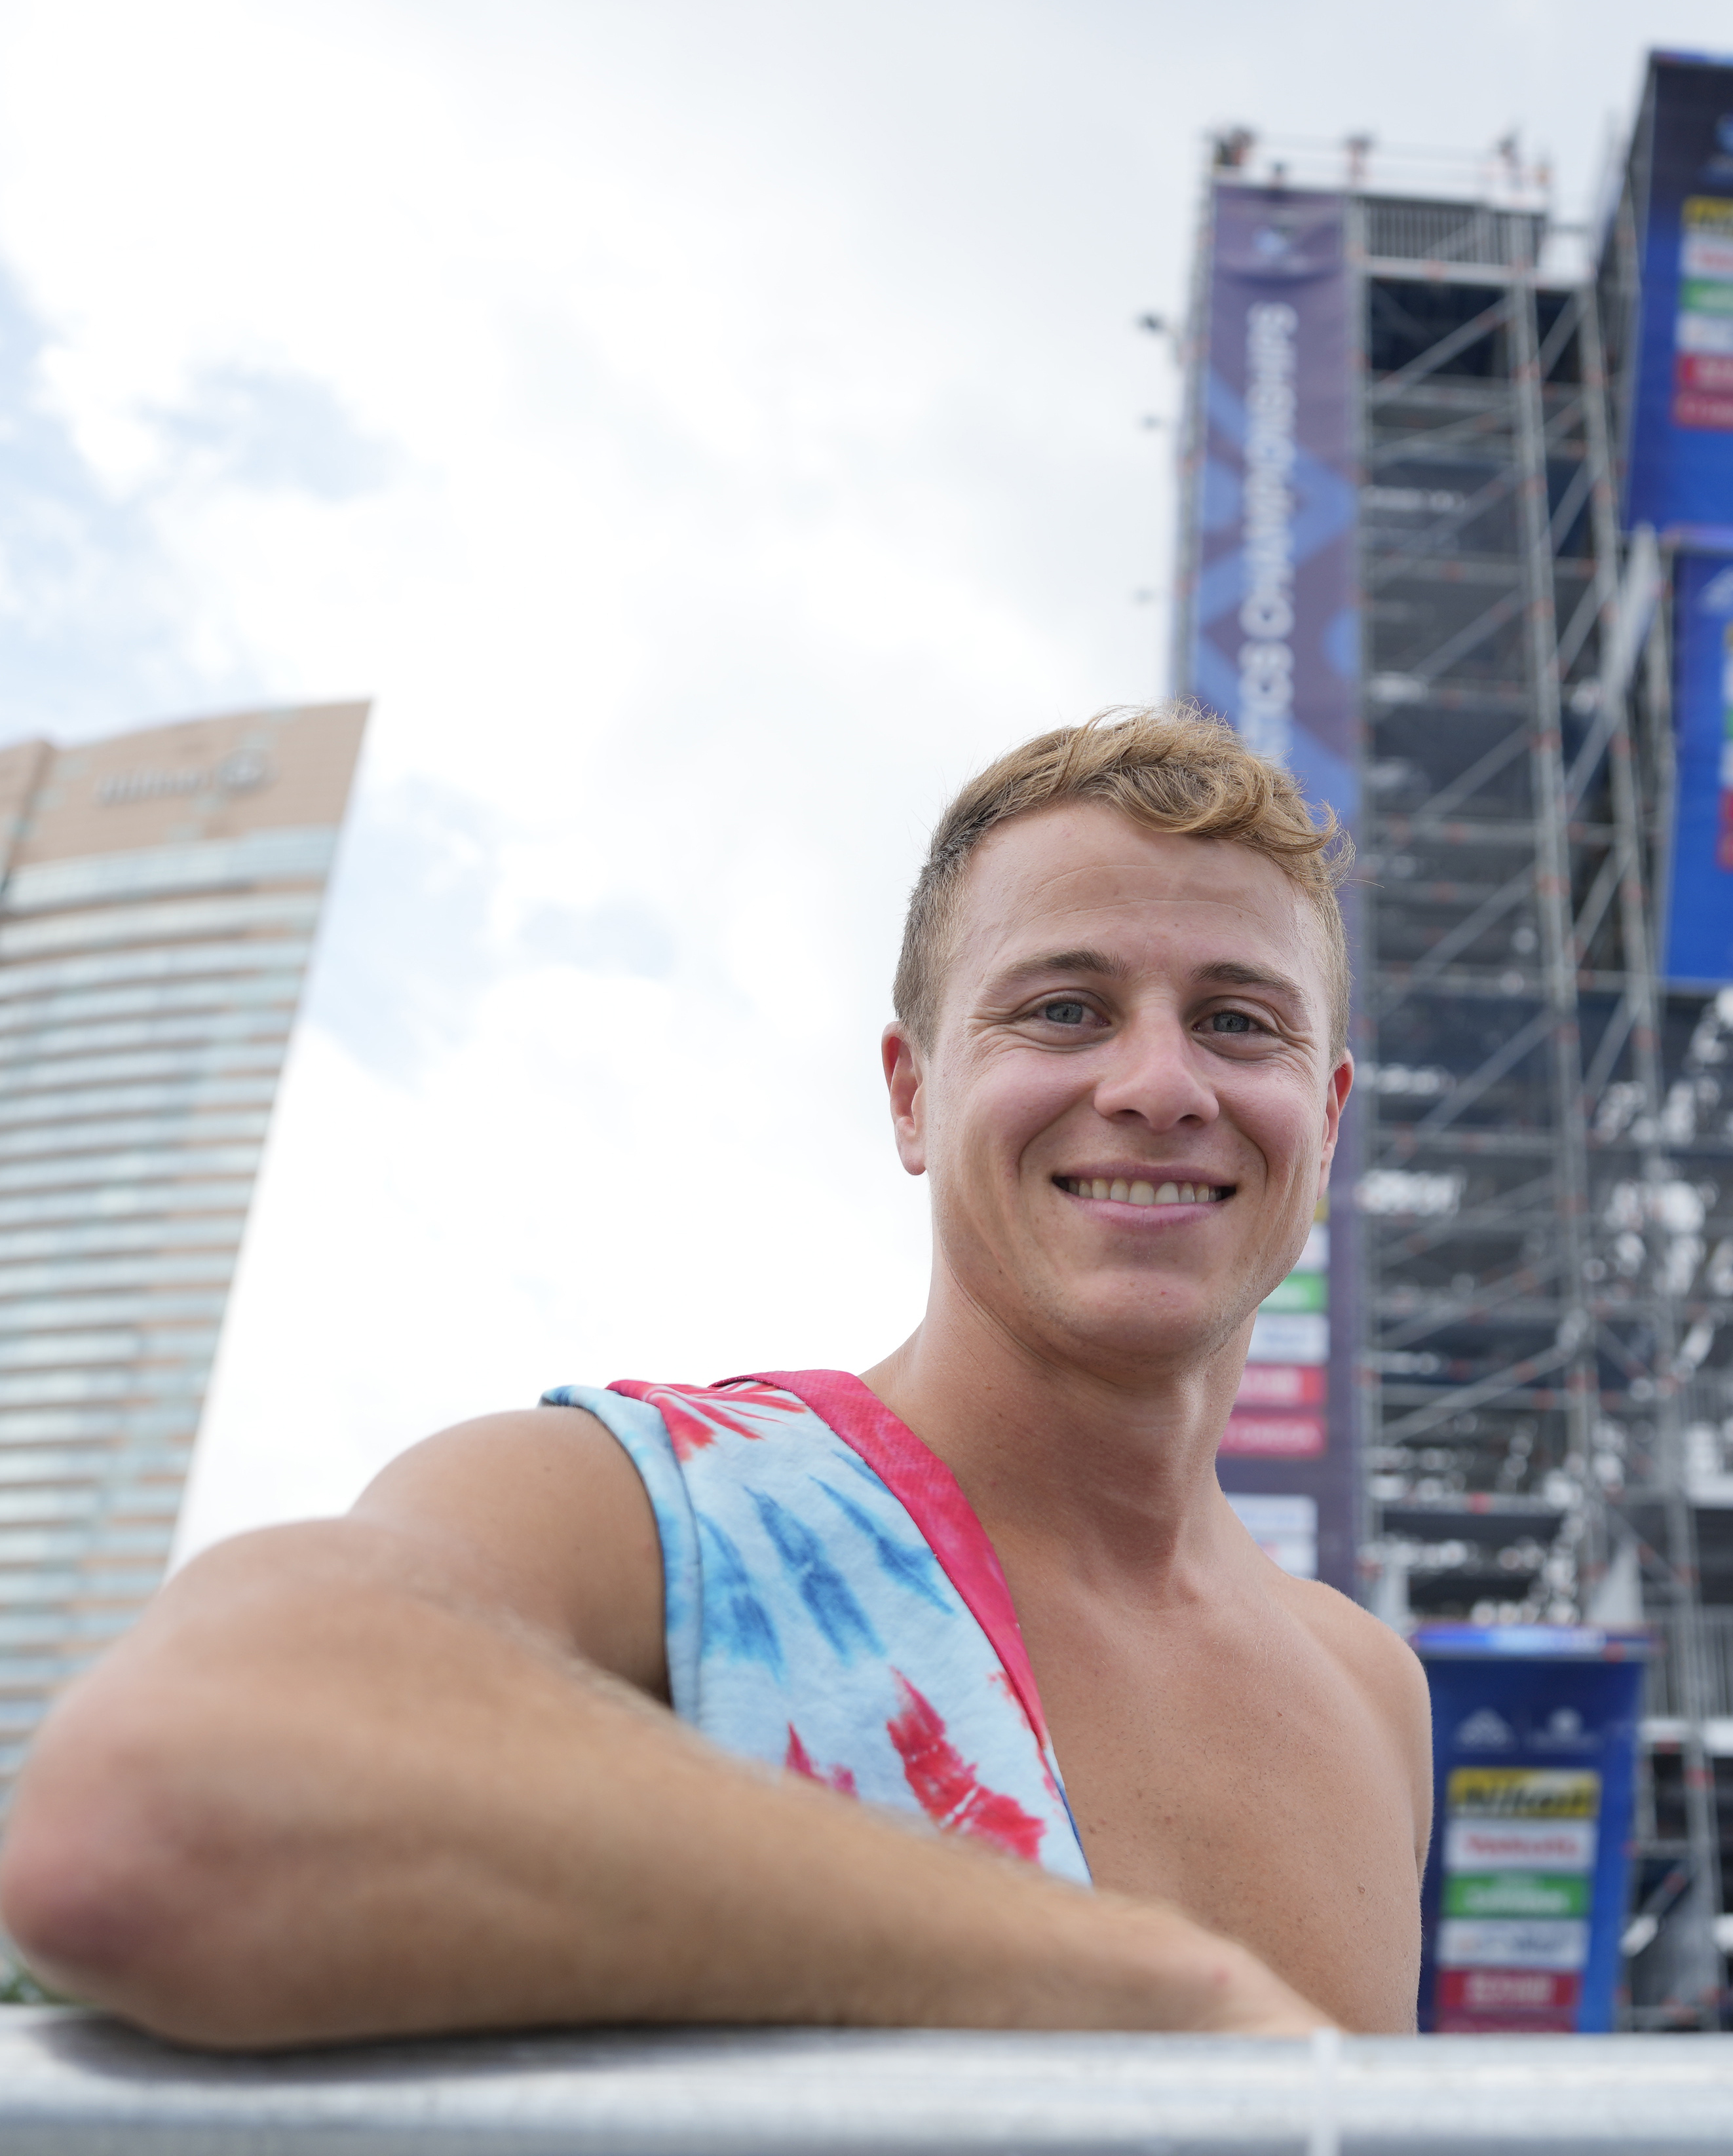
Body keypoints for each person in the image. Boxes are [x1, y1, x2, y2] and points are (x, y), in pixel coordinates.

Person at [0, 709, 1431, 2046]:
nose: (1158, 1082)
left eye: (1239, 1020)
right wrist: (1153, 1996)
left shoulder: (1369, 1687)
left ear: (1327, 1110)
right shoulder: (649, 1501)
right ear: (912, 1093)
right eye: (1062, 1009)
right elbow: (150, 1805)